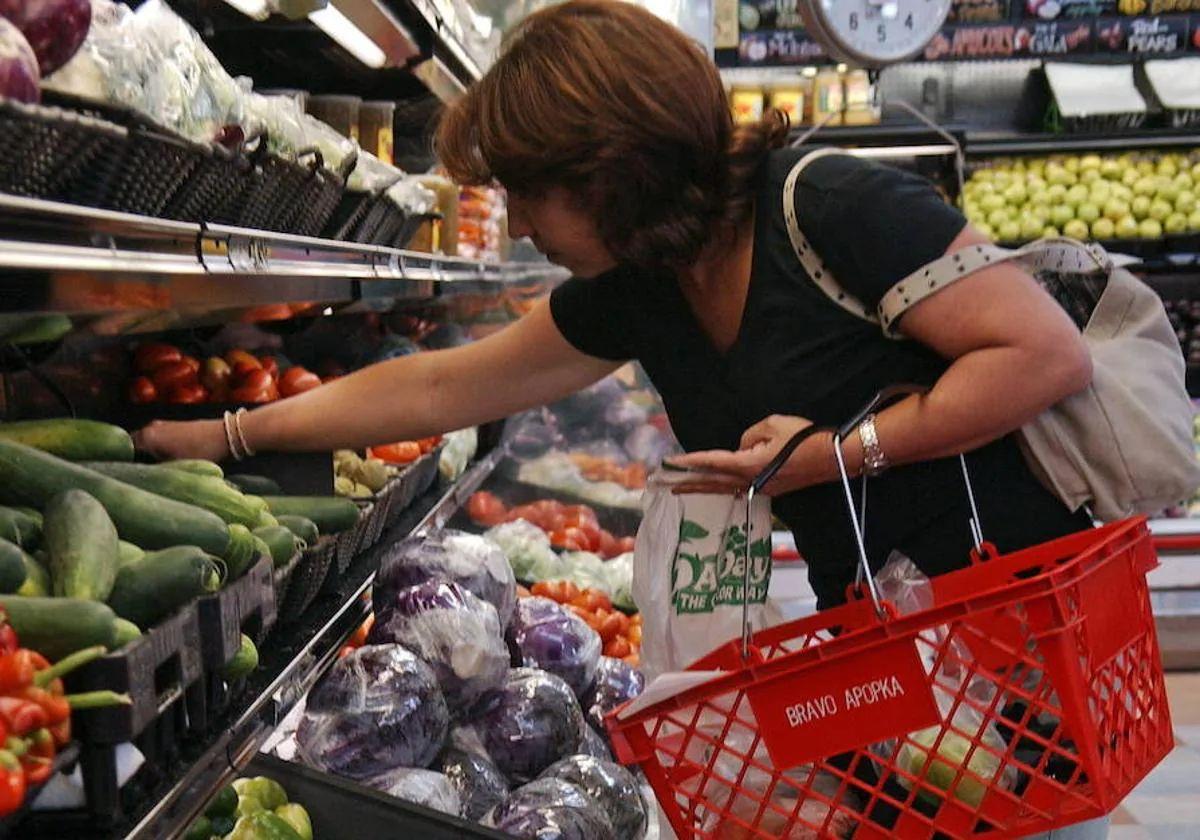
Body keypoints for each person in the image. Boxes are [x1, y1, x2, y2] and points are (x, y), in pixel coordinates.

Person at [137, 3, 1104, 835]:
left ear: (607, 168)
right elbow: (441, 389)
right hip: (889, 649)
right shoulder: (646, 285)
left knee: (1029, 818)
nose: (517, 226)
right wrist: (227, 437)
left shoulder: (834, 206)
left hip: (1017, 633)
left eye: (526, 193)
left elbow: (1044, 354)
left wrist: (841, 455)